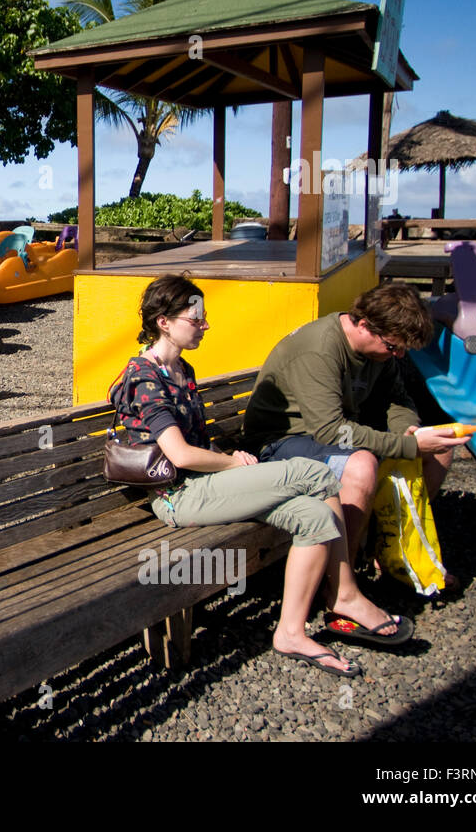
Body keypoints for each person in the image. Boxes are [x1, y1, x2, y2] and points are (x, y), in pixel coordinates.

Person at [113, 275, 411, 678]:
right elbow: (180, 454)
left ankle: (290, 632)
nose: (205, 325)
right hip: (178, 496)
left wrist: (229, 462)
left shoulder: (182, 369)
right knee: (313, 474)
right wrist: (234, 462)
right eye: (196, 318)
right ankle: (344, 594)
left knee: (316, 517)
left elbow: (196, 443)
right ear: (164, 322)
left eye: (204, 318)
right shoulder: (144, 377)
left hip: (207, 484)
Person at [242, 282, 469, 574]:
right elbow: (331, 431)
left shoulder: (378, 352)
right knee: (361, 466)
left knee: (439, 452)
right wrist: (408, 446)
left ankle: (390, 546)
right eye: (392, 347)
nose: (397, 355)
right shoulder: (320, 350)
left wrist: (409, 431)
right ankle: (340, 578)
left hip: (327, 433)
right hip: (279, 443)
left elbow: (397, 398)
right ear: (363, 325)